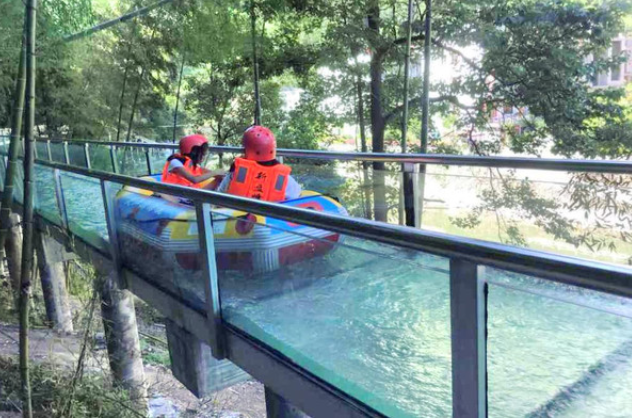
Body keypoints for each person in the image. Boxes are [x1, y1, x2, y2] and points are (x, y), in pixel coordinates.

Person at [217, 126, 301, 201]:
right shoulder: (283, 177)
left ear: (246, 150)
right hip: (270, 217)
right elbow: (296, 198)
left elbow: (220, 195)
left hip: (237, 216)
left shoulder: (236, 172)